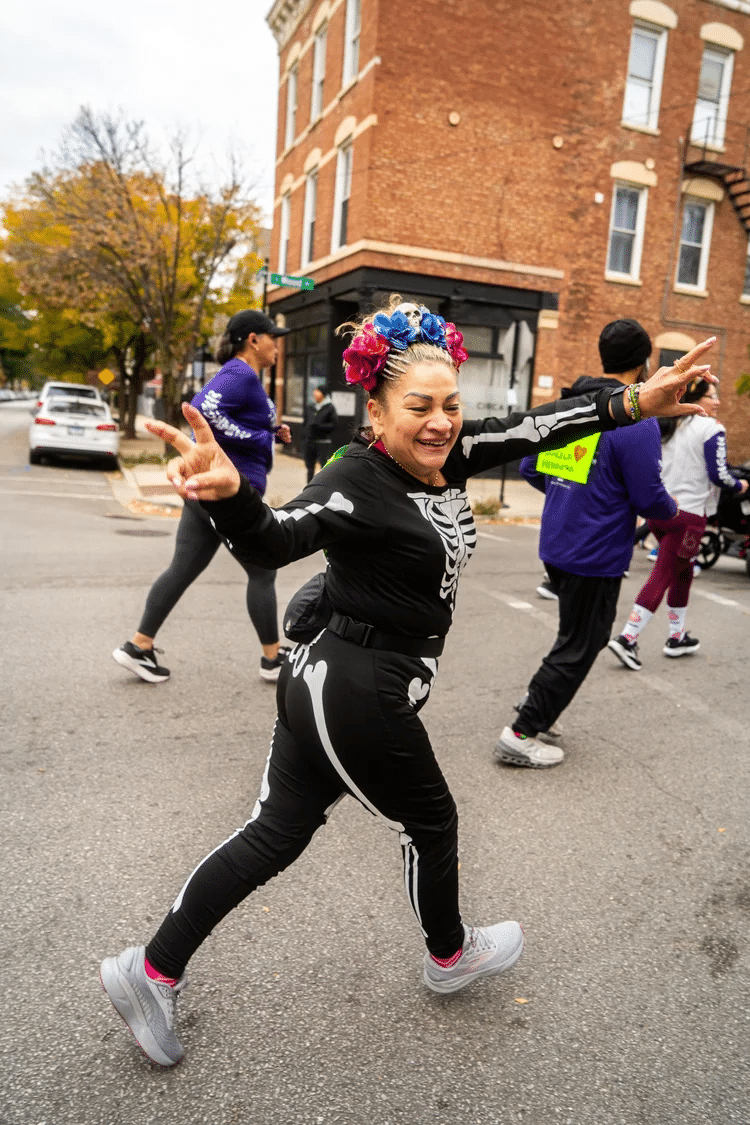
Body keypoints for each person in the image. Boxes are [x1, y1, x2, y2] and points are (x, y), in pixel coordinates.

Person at [99, 297, 715, 1067]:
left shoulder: (445, 455)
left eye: (451, 404)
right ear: (378, 410)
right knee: (432, 820)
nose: (440, 421)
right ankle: (449, 954)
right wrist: (232, 498)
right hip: (356, 691)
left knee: (275, 834)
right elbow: (277, 537)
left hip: (330, 682)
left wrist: (634, 402)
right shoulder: (355, 477)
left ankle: (150, 969)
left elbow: (536, 425)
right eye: (419, 406)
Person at [495, 319, 678, 769]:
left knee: (571, 635)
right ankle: (522, 731)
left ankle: (542, 700)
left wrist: (570, 498)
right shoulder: (635, 419)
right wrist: (674, 514)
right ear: (644, 362)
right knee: (585, 641)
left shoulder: (570, 404)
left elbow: (531, 469)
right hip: (594, 552)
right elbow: (648, 496)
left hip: (557, 543)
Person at [112, 310, 294, 685]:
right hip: (229, 492)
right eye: (271, 336)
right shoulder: (240, 372)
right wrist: (258, 438)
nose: (277, 344)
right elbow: (205, 410)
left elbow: (231, 420)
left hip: (208, 489)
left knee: (183, 568)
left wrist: (271, 433)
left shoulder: (242, 376)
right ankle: (272, 659)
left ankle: (139, 646)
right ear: (253, 340)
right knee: (262, 570)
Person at [608, 376, 748, 669]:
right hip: (689, 517)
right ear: (697, 398)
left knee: (682, 574)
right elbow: (718, 475)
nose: (718, 401)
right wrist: (739, 486)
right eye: (712, 395)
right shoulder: (711, 428)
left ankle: (677, 636)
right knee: (664, 573)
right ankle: (627, 638)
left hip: (661, 510)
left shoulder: (668, 424)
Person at [303, 385, 338, 482]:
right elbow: (305, 423)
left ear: (323, 394)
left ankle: (323, 487)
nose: (315, 393)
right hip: (310, 441)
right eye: (315, 391)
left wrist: (319, 426)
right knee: (310, 467)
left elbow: (334, 425)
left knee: (324, 467)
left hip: (323, 441)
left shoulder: (330, 407)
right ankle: (309, 488)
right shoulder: (310, 407)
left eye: (318, 391)